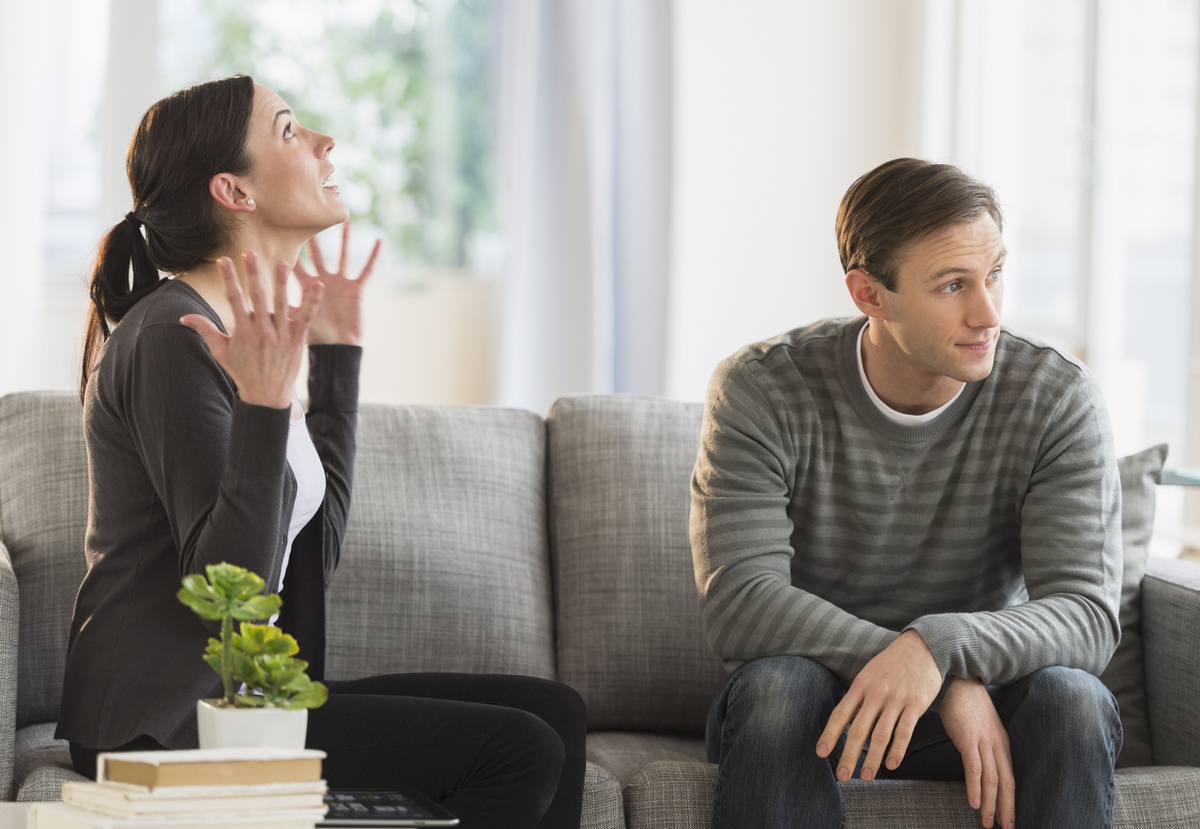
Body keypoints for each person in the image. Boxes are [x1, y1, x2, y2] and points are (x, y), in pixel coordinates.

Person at [57, 74, 586, 829]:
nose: (323, 142)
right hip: (163, 721)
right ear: (233, 192)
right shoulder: (179, 334)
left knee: (555, 713)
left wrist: (334, 360)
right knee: (520, 748)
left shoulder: (247, 333)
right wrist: (267, 404)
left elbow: (312, 556)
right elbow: (224, 589)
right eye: (288, 130)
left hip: (242, 700)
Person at [691, 158, 1123, 829]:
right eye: (952, 285)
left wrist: (938, 649)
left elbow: (1087, 615)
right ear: (870, 294)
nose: (988, 313)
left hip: (985, 706)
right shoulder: (761, 388)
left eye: (995, 274)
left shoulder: (1056, 397)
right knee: (781, 686)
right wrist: (937, 675)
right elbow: (741, 600)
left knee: (1074, 698)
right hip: (824, 706)